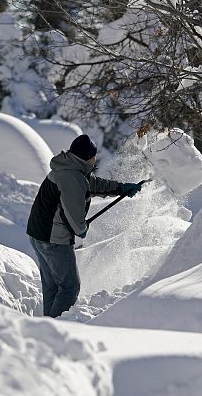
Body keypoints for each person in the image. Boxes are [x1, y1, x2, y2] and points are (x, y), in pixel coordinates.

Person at [26, 134, 142, 318]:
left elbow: (92, 184)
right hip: (52, 238)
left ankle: (46, 326)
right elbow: (73, 212)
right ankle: (56, 330)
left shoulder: (70, 168)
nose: (95, 159)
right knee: (70, 287)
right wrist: (81, 229)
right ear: (88, 157)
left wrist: (120, 188)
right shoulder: (71, 177)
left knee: (53, 286)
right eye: (93, 156)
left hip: (38, 234)